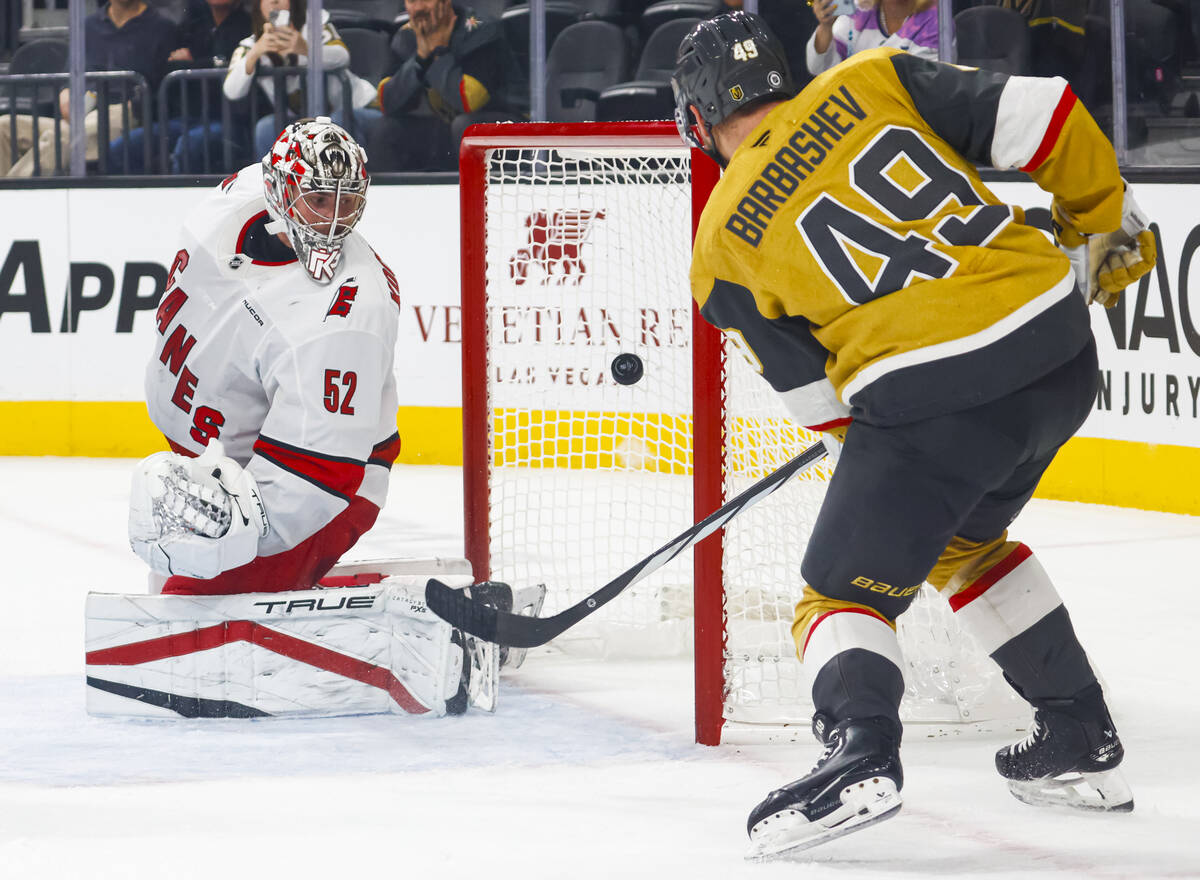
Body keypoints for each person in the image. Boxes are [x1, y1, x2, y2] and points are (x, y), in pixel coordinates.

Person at [671, 12, 1156, 858]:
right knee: (963, 544)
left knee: (839, 591)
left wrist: (886, 460)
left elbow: (825, 411)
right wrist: (1100, 216)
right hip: (1058, 349)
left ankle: (860, 747)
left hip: (938, 403)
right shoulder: (872, 78)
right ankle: (1079, 732)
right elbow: (1045, 111)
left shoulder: (718, 244)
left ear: (699, 118)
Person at [129, 116, 401, 596]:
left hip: (319, 488)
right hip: (217, 457)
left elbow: (319, 475)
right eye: (319, 199)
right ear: (277, 189)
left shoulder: (344, 314)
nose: (334, 218)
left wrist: (237, 535)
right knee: (173, 582)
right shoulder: (237, 201)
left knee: (187, 607)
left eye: (348, 200)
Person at [0, 0, 176, 176]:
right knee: (5, 126)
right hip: (82, 109)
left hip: (124, 111)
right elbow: (70, 73)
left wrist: (135, 106)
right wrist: (66, 94)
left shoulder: (162, 28)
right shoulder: (88, 26)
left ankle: (11, 195)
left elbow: (161, 88)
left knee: (62, 137)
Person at [367, 0, 519, 172]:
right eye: (412, 1)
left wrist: (438, 51)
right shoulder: (406, 35)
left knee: (466, 127)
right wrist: (421, 56)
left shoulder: (481, 29)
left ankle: (475, 196)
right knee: (385, 129)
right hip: (445, 127)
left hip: (502, 127)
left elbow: (468, 102)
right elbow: (386, 103)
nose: (418, 8)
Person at [223, 0, 377, 160]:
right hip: (303, 119)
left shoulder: (316, 27)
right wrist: (254, 54)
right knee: (266, 127)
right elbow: (231, 91)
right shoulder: (251, 46)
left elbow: (342, 56)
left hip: (356, 107)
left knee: (335, 123)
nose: (274, 2)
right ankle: (274, 181)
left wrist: (305, 49)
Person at [805, 0, 940, 76]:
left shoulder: (936, 21)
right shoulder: (859, 10)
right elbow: (820, 69)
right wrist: (826, 26)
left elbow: (923, 88)